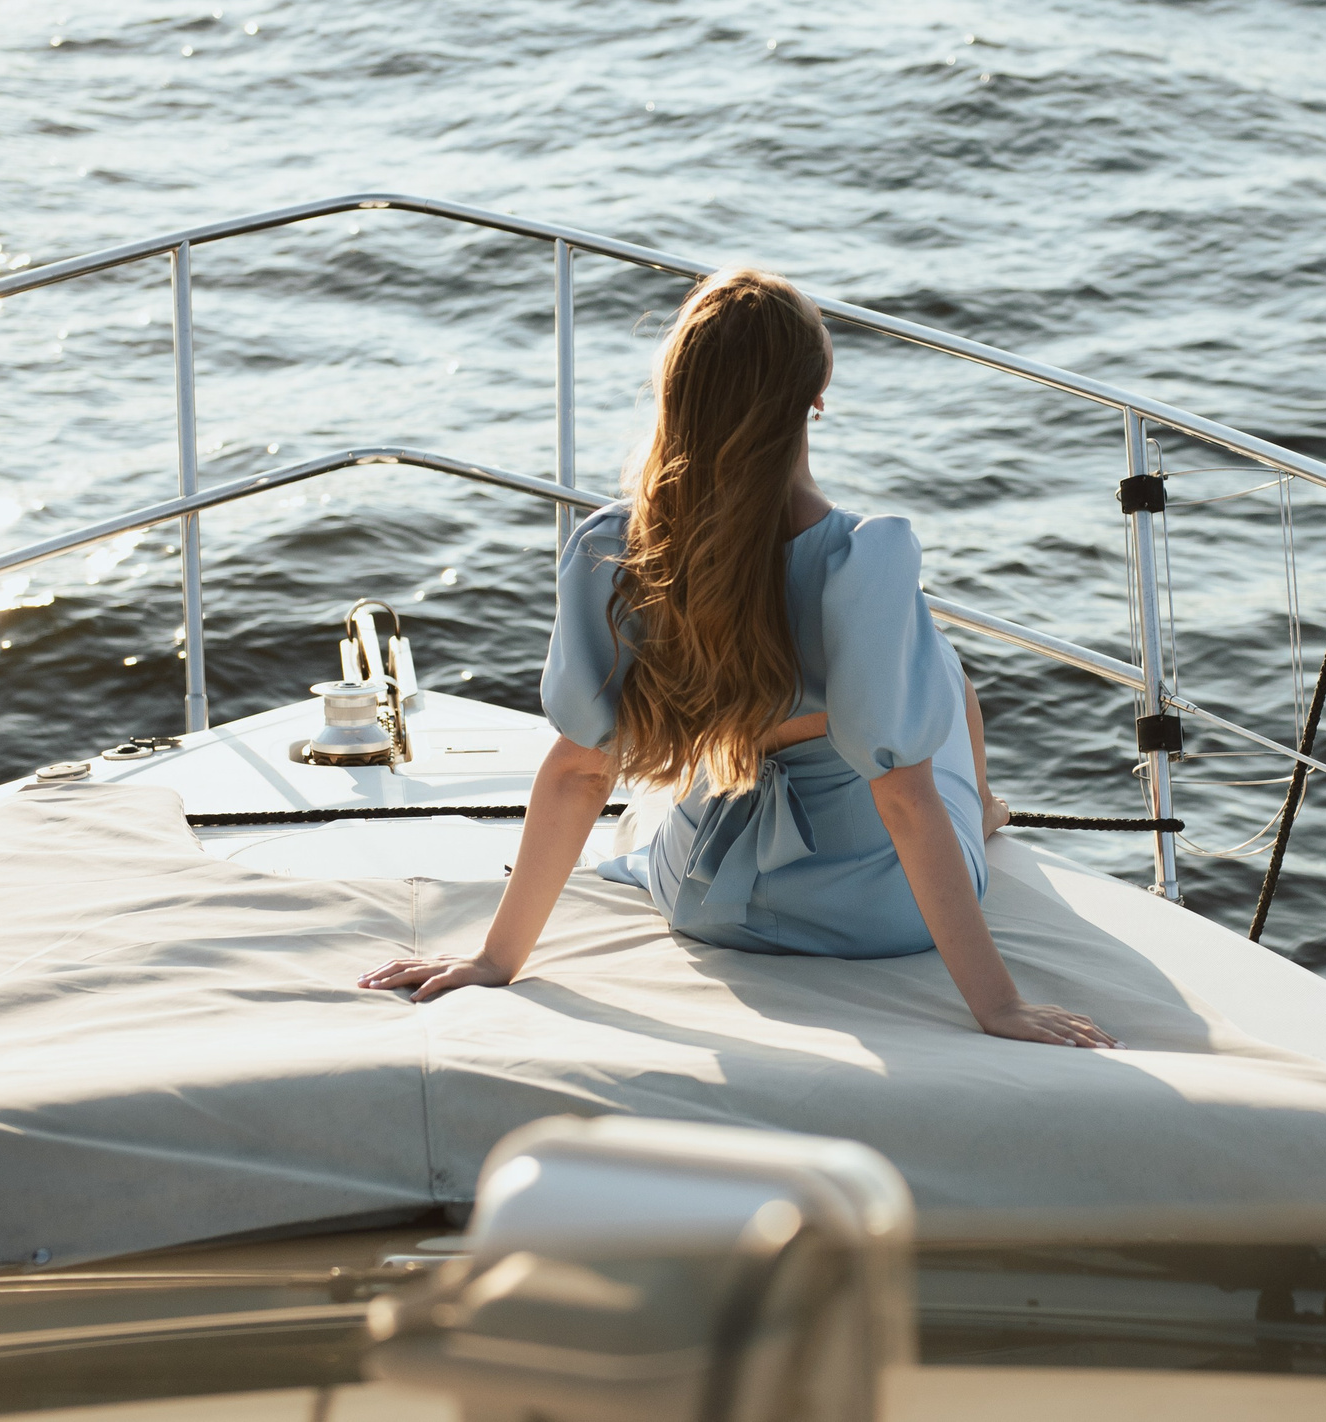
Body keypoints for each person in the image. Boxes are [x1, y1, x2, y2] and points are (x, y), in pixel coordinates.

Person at [360, 269, 1116, 1048]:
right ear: (816, 394)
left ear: (676, 395)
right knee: (940, 670)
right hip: (875, 916)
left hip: (705, 898)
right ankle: (984, 811)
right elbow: (903, 800)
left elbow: (580, 771)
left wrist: (496, 959)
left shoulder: (616, 550)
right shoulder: (861, 560)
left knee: (688, 768)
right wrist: (998, 1006)